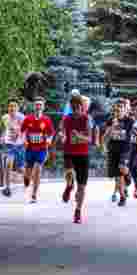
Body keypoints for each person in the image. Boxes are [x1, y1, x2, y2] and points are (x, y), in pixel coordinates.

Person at [59, 94, 92, 223]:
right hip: (69, 152)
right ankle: (69, 185)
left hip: (83, 154)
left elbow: (90, 139)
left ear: (82, 106)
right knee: (69, 172)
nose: (76, 109)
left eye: (78, 106)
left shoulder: (86, 119)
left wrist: (79, 136)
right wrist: (62, 136)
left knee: (82, 186)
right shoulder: (67, 118)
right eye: (73, 107)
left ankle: (78, 210)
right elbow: (62, 131)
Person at [21, 98, 55, 203]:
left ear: (43, 107)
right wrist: (24, 140)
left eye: (40, 105)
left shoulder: (46, 120)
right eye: (36, 105)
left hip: (42, 149)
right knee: (28, 172)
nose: (38, 107)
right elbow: (22, 132)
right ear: (34, 106)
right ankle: (26, 179)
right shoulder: (28, 119)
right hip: (30, 149)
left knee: (37, 168)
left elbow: (51, 133)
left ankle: (34, 194)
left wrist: (49, 140)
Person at [102, 99, 135, 207]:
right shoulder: (110, 120)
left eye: (121, 107)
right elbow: (105, 135)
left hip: (124, 149)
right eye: (116, 107)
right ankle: (122, 197)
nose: (118, 109)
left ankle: (128, 176)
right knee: (117, 175)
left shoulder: (129, 120)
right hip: (113, 149)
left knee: (122, 168)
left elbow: (130, 133)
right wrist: (112, 126)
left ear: (125, 109)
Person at [0, 100, 26, 197]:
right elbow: (4, 129)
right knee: (8, 165)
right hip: (9, 145)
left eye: (14, 106)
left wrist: (18, 134)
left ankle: (28, 182)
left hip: (19, 145)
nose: (12, 108)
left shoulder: (22, 117)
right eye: (10, 106)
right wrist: (2, 137)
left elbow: (25, 130)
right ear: (8, 108)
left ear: (18, 108)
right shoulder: (4, 118)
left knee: (21, 168)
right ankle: (7, 188)